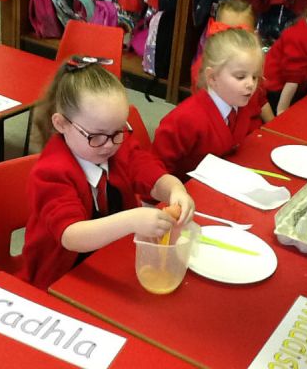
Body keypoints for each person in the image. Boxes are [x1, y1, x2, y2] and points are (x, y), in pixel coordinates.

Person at [19, 56, 195, 289]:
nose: (110, 144)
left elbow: (147, 171)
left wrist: (174, 189)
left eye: (118, 131)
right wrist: (131, 220)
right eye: (97, 136)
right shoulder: (50, 172)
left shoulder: (116, 146)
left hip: (110, 257)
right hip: (59, 276)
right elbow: (71, 235)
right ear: (62, 124)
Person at [153, 28, 264, 182]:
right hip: (185, 189)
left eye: (255, 77)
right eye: (240, 77)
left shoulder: (243, 103)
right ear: (212, 77)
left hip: (222, 181)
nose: (251, 84)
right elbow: (156, 167)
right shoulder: (186, 119)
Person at [191, 0, 274, 127]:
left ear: (254, 36)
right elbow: (206, 116)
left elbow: (261, 100)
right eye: (227, 34)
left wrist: (274, 127)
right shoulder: (204, 69)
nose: (234, 41)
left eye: (241, 35)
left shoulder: (253, 64)